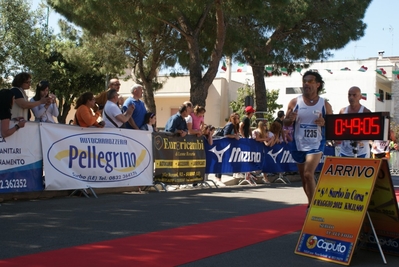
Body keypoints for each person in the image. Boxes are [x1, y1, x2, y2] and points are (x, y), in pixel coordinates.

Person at [284, 70, 333, 208]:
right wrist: (290, 119)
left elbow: (333, 124)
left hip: (316, 143)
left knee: (308, 173)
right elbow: (286, 122)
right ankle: (311, 201)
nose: (306, 84)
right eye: (304, 81)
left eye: (310, 81)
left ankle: (313, 207)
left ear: (318, 84)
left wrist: (325, 123)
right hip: (298, 143)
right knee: (304, 177)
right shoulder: (295, 102)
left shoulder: (324, 104)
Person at [336, 86, 371, 158]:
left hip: (361, 152)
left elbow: (370, 132)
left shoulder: (365, 112)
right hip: (345, 151)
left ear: (360, 97)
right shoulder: (343, 111)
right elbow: (338, 130)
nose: (351, 97)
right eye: (349, 95)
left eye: (354, 95)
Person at [214, 112, 240, 186]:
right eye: (237, 118)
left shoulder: (234, 126)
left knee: (221, 161)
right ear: (234, 119)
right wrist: (234, 136)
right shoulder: (230, 124)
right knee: (220, 161)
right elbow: (225, 135)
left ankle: (218, 178)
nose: (239, 120)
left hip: (226, 146)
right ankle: (218, 179)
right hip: (221, 145)